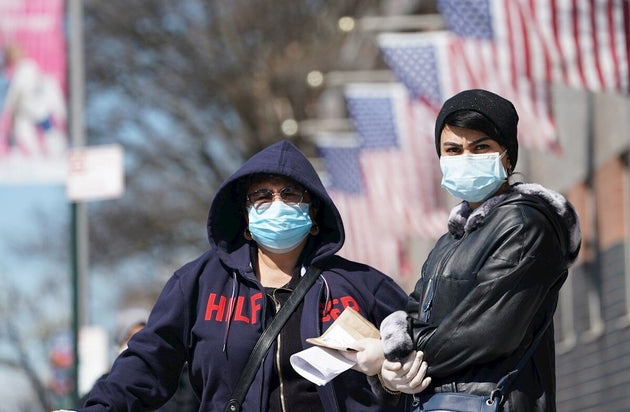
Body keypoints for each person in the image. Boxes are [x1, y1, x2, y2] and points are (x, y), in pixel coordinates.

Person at [77, 139, 413, 411]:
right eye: (262, 196)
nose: (277, 204)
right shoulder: (198, 283)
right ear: (246, 220)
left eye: (290, 194)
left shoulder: (362, 285)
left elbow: (427, 341)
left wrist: (390, 368)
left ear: (314, 214)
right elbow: (147, 362)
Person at [378, 89, 582, 410]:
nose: (466, 158)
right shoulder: (450, 241)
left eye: (481, 147)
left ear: (507, 156)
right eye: (453, 149)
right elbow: (416, 312)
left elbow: (485, 334)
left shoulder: (523, 224)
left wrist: (396, 354)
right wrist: (389, 372)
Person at [80, 308, 200, 412]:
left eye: (142, 337)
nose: (135, 344)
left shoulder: (184, 385)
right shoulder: (104, 389)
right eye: (129, 337)